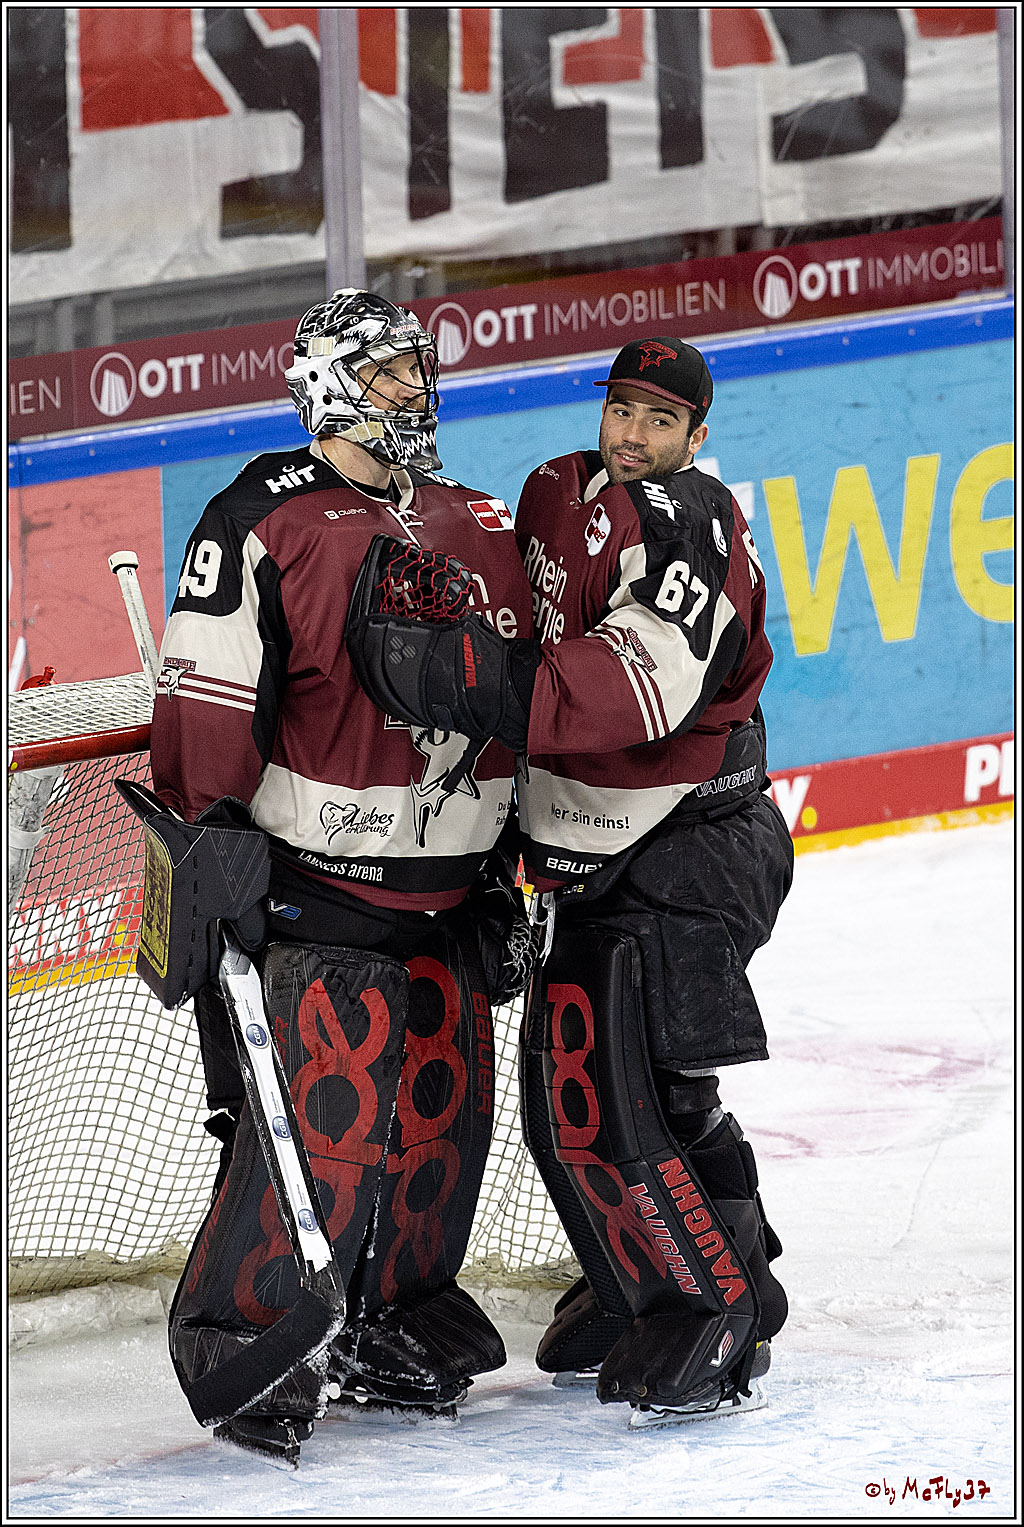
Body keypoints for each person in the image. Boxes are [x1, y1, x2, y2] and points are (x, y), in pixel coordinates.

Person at [346, 335, 793, 1431]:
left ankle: (719, 1306)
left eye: (660, 419)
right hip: (595, 843)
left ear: (698, 435)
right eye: (621, 409)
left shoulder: (691, 522)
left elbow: (631, 692)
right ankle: (639, 1268)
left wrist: (469, 681)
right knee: (576, 1089)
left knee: (638, 1088)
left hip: (692, 842)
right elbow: (511, 609)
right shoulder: (554, 491)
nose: (634, 434)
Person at [147, 289, 535, 1463]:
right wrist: (200, 833)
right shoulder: (257, 519)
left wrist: (513, 865)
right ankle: (242, 1343)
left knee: (440, 1128)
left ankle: (390, 1319)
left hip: (454, 892)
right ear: (327, 387)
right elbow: (204, 700)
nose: (418, 392)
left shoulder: (474, 516)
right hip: (320, 892)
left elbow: (514, 707)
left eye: (420, 371)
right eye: (391, 376)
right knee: (325, 1128)